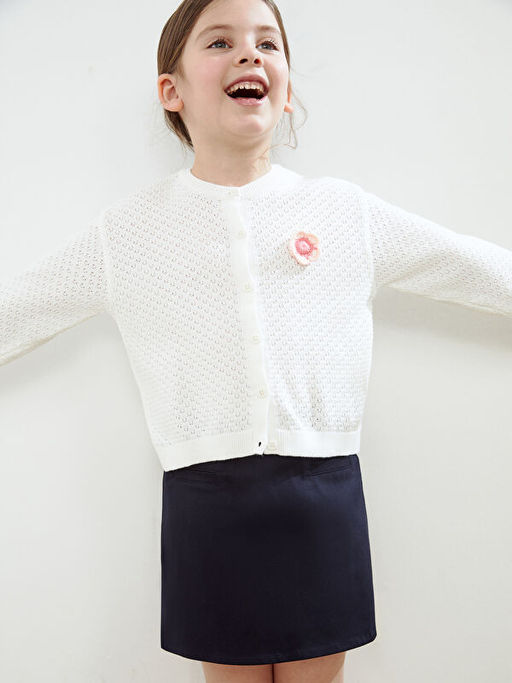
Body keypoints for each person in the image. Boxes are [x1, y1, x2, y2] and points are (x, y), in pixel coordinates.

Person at [1, 0, 511, 682]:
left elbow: (470, 266)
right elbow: (22, 307)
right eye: (220, 42)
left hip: (322, 490)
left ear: (287, 88)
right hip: (206, 498)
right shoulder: (126, 233)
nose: (249, 54)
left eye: (268, 44)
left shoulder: (343, 210)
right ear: (172, 90)